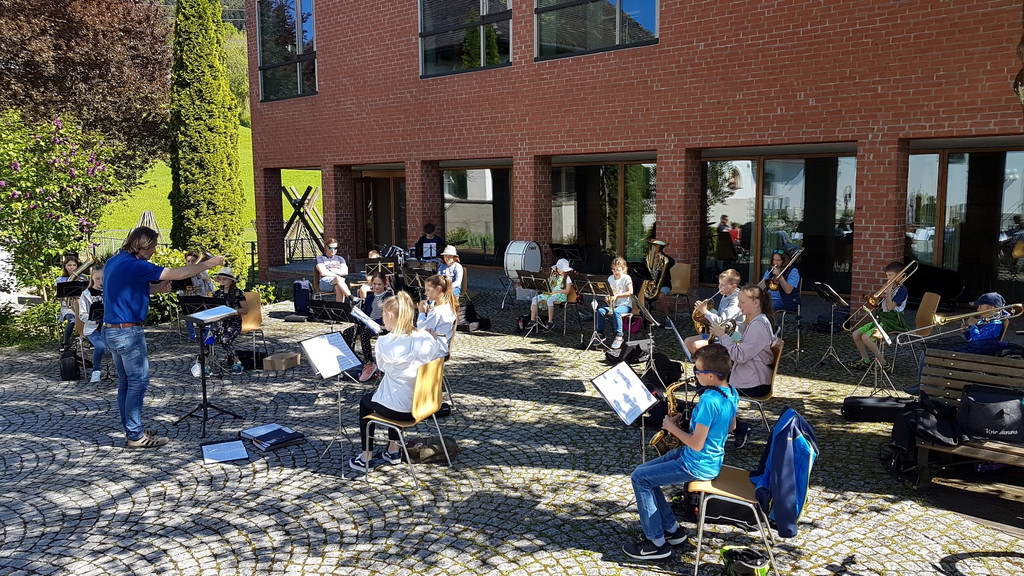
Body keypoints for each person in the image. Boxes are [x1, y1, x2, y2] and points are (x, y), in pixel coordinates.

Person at [103, 226, 224, 449]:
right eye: (153, 246)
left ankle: (132, 428)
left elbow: (126, 289)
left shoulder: (115, 261)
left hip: (111, 330)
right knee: (138, 383)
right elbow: (178, 273)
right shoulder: (136, 264)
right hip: (128, 332)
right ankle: (135, 436)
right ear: (143, 244)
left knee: (126, 383)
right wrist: (208, 263)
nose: (155, 251)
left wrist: (157, 289)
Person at [623, 343, 738, 560]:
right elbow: (731, 427)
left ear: (712, 376)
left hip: (697, 463)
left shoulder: (708, 400)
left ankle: (656, 543)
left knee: (640, 478)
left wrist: (671, 427)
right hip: (703, 458)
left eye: (698, 371)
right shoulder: (730, 391)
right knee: (643, 474)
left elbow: (696, 444)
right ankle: (673, 530)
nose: (694, 375)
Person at [350, 292, 446, 472]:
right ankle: (393, 450)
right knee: (394, 393)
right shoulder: (426, 338)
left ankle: (366, 458)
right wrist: (432, 338)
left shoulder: (384, 342)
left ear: (390, 316)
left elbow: (383, 368)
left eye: (384, 316)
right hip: (424, 405)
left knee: (366, 402)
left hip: (401, 411)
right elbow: (438, 354)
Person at [709, 284, 775, 450]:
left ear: (755, 303)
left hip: (754, 382)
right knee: (708, 377)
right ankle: (723, 428)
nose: (739, 306)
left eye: (742, 302)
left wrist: (723, 336)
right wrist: (729, 334)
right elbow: (743, 343)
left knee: (709, 388)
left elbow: (740, 356)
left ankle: (735, 428)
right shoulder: (755, 322)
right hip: (749, 375)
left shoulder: (759, 325)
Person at [850, 261, 910, 369]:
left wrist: (888, 293)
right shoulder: (889, 286)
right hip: (882, 319)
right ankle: (865, 360)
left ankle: (883, 364)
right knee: (856, 334)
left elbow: (890, 307)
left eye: (890, 275)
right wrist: (879, 297)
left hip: (893, 321)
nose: (888, 278)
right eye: (887, 275)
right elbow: (878, 304)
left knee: (866, 337)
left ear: (900, 275)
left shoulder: (902, 290)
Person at [345, 272, 393, 382]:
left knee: (365, 334)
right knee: (348, 332)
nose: (376, 287)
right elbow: (366, 313)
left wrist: (384, 324)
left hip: (382, 325)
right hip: (369, 323)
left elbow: (390, 314)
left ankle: (369, 363)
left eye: (379, 284)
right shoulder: (370, 297)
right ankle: (351, 361)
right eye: (374, 284)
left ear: (384, 284)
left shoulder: (388, 297)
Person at [685, 269, 742, 356]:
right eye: (719, 283)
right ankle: (701, 366)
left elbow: (722, 323)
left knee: (696, 346)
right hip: (720, 333)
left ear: (733, 287)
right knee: (687, 342)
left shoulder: (736, 301)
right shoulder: (726, 295)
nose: (719, 287)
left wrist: (705, 311)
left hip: (733, 337)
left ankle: (709, 366)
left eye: (722, 285)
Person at [211, 267, 248, 374]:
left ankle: (238, 363)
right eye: (220, 280)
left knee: (225, 340)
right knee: (208, 337)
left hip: (234, 322)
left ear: (231, 281)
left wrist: (232, 312)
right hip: (220, 322)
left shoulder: (237, 293)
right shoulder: (217, 293)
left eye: (225, 279)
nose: (222, 282)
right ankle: (205, 365)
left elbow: (245, 310)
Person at [596, 257, 632, 349]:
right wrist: (607, 298)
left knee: (617, 312)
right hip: (613, 305)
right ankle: (600, 334)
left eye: (618, 270)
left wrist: (617, 296)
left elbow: (630, 292)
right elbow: (607, 292)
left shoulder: (626, 278)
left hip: (625, 305)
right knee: (600, 311)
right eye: (613, 269)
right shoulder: (610, 278)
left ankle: (619, 335)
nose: (615, 272)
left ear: (623, 269)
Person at [78, 263, 106, 383]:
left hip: (109, 326)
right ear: (92, 279)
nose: (100, 281)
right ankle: (96, 372)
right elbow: (81, 315)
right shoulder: (86, 294)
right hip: (93, 328)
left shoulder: (109, 292)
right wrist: (92, 317)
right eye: (97, 278)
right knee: (100, 346)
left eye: (103, 278)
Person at [529, 258, 573, 332]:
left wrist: (554, 291)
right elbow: (549, 285)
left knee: (550, 300)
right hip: (551, 293)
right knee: (535, 299)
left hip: (560, 295)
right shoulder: (556, 276)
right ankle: (533, 320)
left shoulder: (567, 278)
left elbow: (567, 291)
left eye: (560, 269)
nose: (558, 270)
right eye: (558, 268)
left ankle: (550, 321)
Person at [417, 274, 459, 352]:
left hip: (436, 349)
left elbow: (421, 331)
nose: (426, 293)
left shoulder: (437, 311)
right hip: (443, 345)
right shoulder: (449, 304)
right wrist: (428, 313)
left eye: (428, 290)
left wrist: (422, 313)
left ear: (438, 289)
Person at [181, 250, 215, 342]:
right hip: (189, 301)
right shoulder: (183, 273)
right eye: (188, 261)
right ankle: (192, 336)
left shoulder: (203, 272)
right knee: (186, 311)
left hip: (202, 301)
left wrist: (207, 279)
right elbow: (180, 292)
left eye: (193, 261)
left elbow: (212, 289)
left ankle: (206, 336)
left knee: (207, 314)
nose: (190, 263)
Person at [315, 238, 352, 302]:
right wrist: (337, 274)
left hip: (338, 282)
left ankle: (340, 308)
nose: (333, 250)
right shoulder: (320, 258)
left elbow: (345, 272)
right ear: (326, 247)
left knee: (338, 287)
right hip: (325, 282)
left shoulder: (340, 259)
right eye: (331, 248)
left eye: (335, 248)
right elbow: (323, 273)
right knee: (338, 279)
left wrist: (331, 270)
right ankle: (351, 298)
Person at [57, 255, 81, 349]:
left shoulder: (82, 278)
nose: (72, 267)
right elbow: (59, 298)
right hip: (67, 307)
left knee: (90, 318)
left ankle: (91, 340)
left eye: (74, 265)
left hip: (80, 306)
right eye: (69, 265)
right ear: (65, 267)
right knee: (72, 321)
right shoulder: (60, 280)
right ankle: (65, 342)